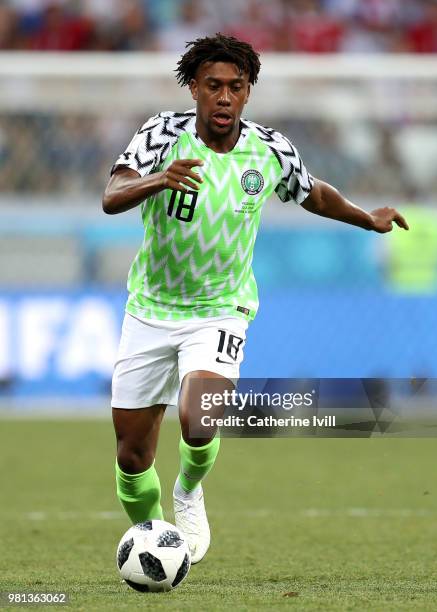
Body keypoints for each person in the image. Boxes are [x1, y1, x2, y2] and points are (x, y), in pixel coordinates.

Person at [102, 33, 409, 565]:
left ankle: (189, 491)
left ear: (248, 93)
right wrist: (158, 179)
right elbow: (111, 196)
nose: (224, 97)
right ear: (194, 89)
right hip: (150, 309)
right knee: (132, 454)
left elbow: (310, 191)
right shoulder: (160, 134)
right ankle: (153, 539)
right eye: (213, 86)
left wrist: (367, 217)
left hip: (222, 307)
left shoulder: (267, 148)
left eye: (235, 88)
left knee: (200, 416)